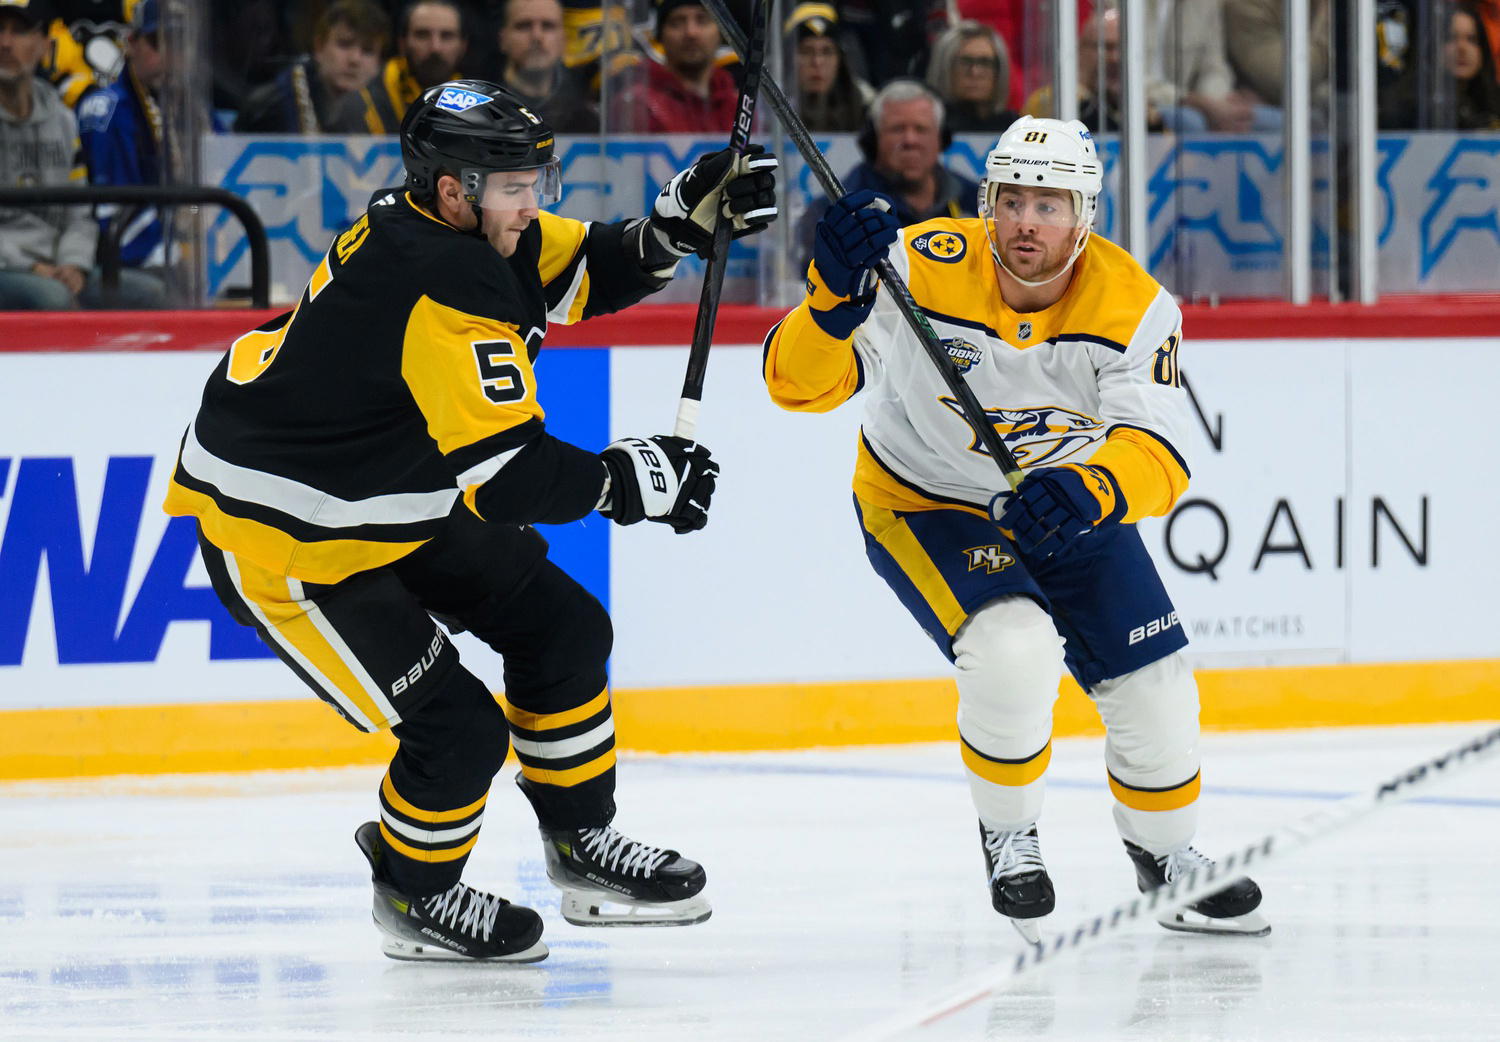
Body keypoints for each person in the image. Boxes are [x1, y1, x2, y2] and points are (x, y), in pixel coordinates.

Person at [162, 79, 778, 962]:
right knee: (459, 731)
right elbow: (511, 478)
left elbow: (585, 268)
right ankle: (413, 893)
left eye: (539, 180)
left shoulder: (457, 225)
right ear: (454, 189)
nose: (534, 204)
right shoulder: (441, 277)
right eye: (517, 188)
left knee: (565, 627)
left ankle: (579, 842)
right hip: (289, 538)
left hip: (389, 497)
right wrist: (627, 481)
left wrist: (676, 227)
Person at [763, 116, 1267, 942]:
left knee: (1157, 685)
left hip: (1068, 500)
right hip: (925, 499)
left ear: (1086, 216)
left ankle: (1167, 854)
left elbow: (1162, 455)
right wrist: (828, 300)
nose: (1027, 220)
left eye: (1051, 203)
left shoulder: (1136, 307)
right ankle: (1010, 833)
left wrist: (1087, 487)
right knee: (1013, 647)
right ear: (988, 202)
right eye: (1013, 199)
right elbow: (795, 386)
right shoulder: (916, 269)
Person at [796, 79, 977, 270]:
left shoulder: (976, 203)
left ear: (941, 139)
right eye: (897, 129)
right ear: (874, 139)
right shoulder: (835, 211)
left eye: (921, 129)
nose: (910, 140)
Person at [0, 0, 96, 309]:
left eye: (19, 32)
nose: (5, 43)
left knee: (150, 294)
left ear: (45, 45)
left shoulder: (64, 119)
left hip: (58, 265)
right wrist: (31, 267)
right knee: (53, 299)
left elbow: (81, 211)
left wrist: (74, 264)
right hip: (10, 265)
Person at [74, 0, 169, 307]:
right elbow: (116, 218)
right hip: (126, 259)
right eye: (157, 42)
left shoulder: (192, 110)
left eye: (178, 43)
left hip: (181, 256)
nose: (168, 56)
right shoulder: (107, 112)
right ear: (131, 43)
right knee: (165, 292)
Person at [235, 0, 389, 134]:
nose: (355, 59)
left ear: (380, 63)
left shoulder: (390, 110)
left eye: (368, 51)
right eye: (344, 44)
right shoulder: (271, 107)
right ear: (319, 47)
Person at [329, 0, 468, 133]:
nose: (435, 47)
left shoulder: (477, 106)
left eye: (447, 36)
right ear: (402, 44)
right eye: (422, 35)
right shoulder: (360, 106)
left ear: (463, 46)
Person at [1022, 8, 1166, 133]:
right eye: (1106, 48)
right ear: (1081, 50)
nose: (1115, 58)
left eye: (1121, 48)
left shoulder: (1138, 106)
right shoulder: (1052, 100)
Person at [611, 0, 737, 133]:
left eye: (702, 20)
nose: (691, 33)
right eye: (677, 22)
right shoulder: (637, 105)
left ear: (721, 33)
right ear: (660, 36)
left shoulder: (738, 106)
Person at [490, 0, 598, 133]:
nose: (537, 36)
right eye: (524, 26)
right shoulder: (482, 111)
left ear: (564, 39)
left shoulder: (586, 121)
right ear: (503, 39)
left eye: (548, 26)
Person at [786, 2, 872, 134]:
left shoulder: (866, 106)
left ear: (840, 60)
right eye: (806, 51)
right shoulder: (762, 108)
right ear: (788, 59)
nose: (817, 62)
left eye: (827, 52)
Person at [924, 20, 1018, 135]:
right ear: (945, 67)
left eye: (985, 62)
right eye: (965, 62)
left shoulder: (1014, 129)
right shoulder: (924, 127)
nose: (975, 72)